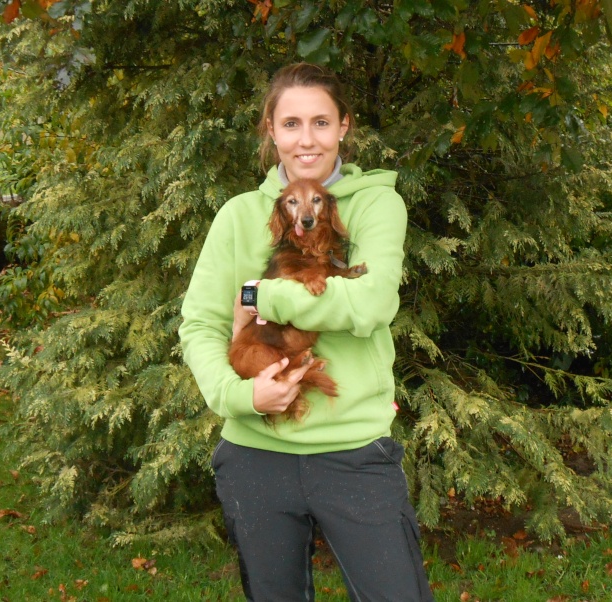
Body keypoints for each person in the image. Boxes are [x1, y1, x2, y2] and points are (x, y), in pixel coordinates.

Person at [179, 62, 434, 602]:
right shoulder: (237, 215)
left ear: (344, 126)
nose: (306, 139)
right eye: (291, 124)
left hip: (355, 451)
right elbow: (200, 323)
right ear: (271, 130)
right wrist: (241, 396)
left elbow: (371, 304)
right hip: (255, 454)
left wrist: (259, 296)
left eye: (321, 122)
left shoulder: (376, 204)